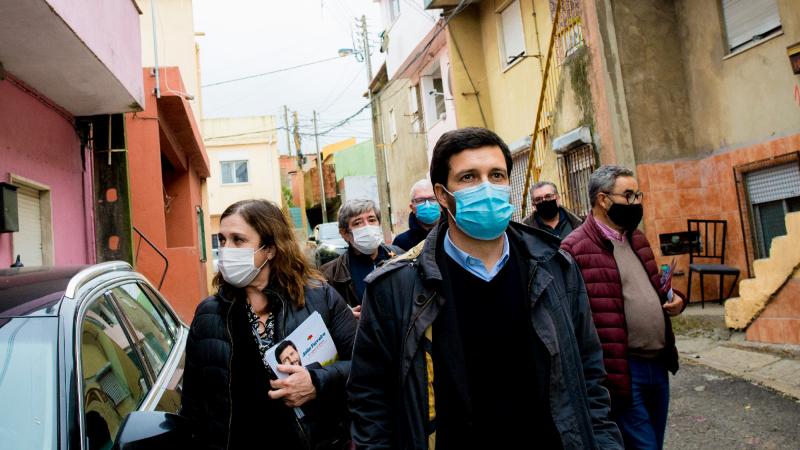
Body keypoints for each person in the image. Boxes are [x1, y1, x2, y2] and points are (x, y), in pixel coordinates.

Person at [347, 127, 623, 449]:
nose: (487, 188)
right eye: (468, 178)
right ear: (442, 194)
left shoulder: (556, 266)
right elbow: (369, 401)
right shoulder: (394, 288)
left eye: (496, 175)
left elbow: (589, 374)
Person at [180, 199, 357, 450]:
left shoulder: (319, 298)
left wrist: (317, 381)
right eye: (222, 240)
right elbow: (193, 406)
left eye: (238, 240)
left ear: (270, 249)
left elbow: (365, 363)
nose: (226, 249)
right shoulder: (209, 315)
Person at [560, 165, 687, 450]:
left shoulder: (636, 237)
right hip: (622, 370)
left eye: (638, 194)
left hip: (658, 363)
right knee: (644, 446)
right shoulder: (575, 248)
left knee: (655, 440)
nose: (637, 202)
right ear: (603, 200)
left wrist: (676, 299)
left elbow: (653, 287)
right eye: (629, 195)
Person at [320, 199, 403, 319]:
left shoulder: (402, 256)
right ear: (345, 234)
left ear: (379, 224)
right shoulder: (329, 276)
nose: (367, 227)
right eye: (358, 223)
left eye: (372, 220)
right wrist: (343, 318)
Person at [393, 178, 441, 250]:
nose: (428, 205)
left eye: (432, 199)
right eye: (420, 200)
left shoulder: (453, 235)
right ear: (412, 208)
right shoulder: (401, 243)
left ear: (440, 204)